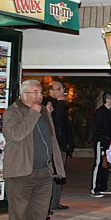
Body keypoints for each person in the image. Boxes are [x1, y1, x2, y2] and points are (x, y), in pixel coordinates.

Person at [3, 80, 66, 220]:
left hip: (44, 172)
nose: (40, 96)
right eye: (35, 92)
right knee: (19, 215)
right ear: (24, 94)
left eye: (40, 92)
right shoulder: (12, 112)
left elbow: (51, 138)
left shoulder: (44, 111)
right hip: (21, 173)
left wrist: (55, 165)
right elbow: (16, 135)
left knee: (39, 213)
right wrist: (32, 114)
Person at [48, 80, 73, 211]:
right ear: (51, 91)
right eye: (59, 89)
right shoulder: (51, 104)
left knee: (59, 174)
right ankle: (51, 203)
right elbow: (57, 122)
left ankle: (55, 202)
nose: (62, 91)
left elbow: (65, 126)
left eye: (62, 88)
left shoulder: (60, 105)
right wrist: (62, 103)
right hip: (55, 145)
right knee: (55, 173)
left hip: (61, 144)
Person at [90, 90, 111, 197]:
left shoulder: (110, 112)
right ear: (108, 99)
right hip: (101, 140)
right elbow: (97, 129)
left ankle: (102, 186)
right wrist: (104, 138)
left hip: (107, 140)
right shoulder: (100, 112)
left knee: (105, 163)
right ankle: (94, 188)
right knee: (99, 163)